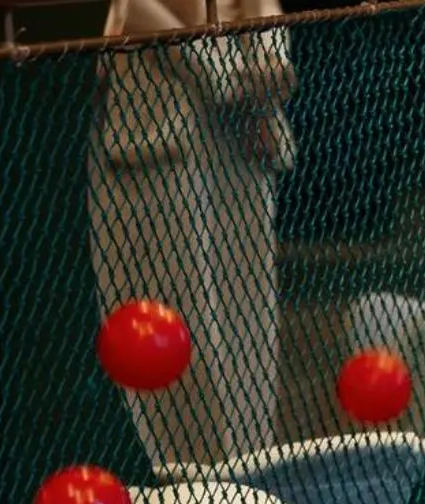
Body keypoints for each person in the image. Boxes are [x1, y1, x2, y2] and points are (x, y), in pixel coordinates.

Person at [89, 0, 297, 467]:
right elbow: (134, 8)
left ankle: (249, 471)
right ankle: (191, 478)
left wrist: (268, 59)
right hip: (157, 121)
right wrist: (227, 76)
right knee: (176, 309)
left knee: (247, 307)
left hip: (240, 128)